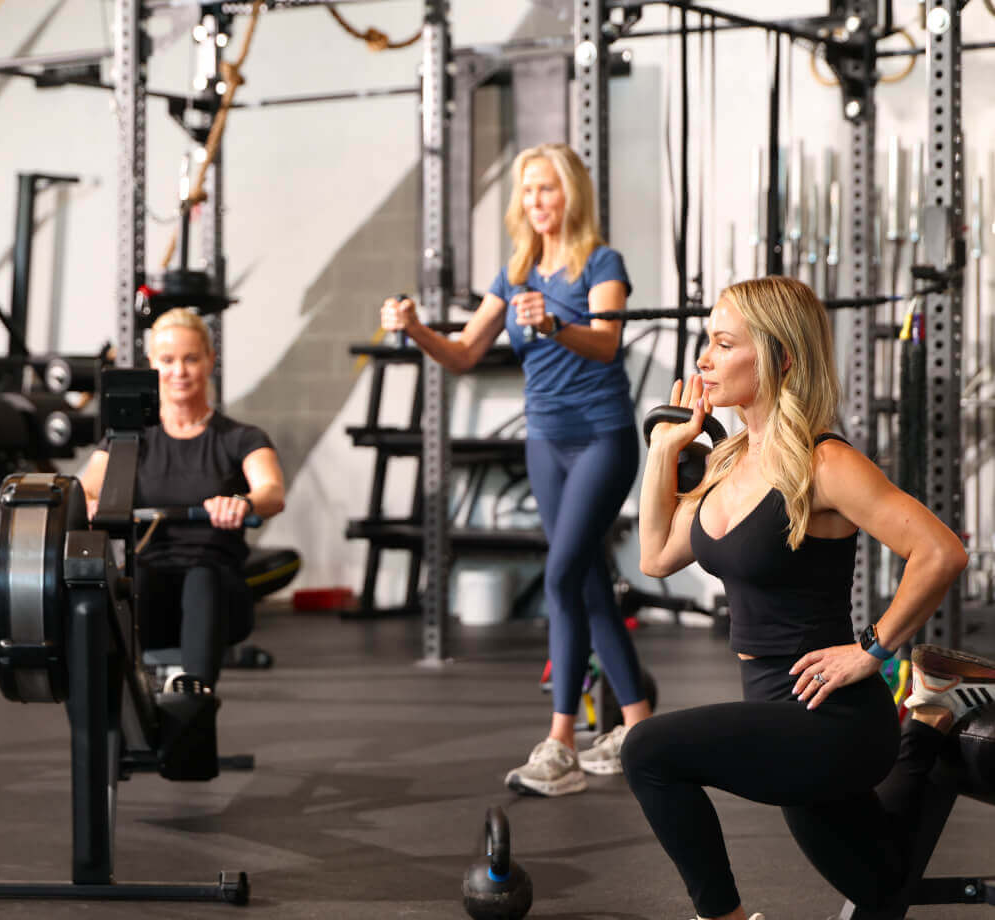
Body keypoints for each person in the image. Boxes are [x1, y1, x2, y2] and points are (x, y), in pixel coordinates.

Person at [625, 275, 994, 920]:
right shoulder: (725, 461)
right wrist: (662, 451)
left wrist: (871, 651)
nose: (703, 360)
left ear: (779, 357)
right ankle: (930, 728)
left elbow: (941, 551)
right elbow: (655, 557)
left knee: (649, 750)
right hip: (773, 706)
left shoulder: (825, 463)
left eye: (722, 343)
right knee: (881, 885)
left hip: (831, 719)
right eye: (706, 343)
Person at [380, 142, 652, 794]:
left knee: (559, 576)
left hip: (601, 439)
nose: (537, 202)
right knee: (583, 580)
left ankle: (561, 740)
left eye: (548, 190)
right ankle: (638, 724)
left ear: (572, 195)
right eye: (529, 192)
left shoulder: (602, 263)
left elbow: (608, 343)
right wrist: (416, 329)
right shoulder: (517, 271)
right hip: (546, 443)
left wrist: (557, 323)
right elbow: (465, 352)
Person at [81, 307, 286, 688]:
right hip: (151, 589)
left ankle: (195, 708)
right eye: (168, 360)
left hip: (219, 593)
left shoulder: (240, 438)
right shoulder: (128, 439)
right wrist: (91, 503)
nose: (179, 371)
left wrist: (244, 502)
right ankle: (114, 724)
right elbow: (90, 485)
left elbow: (272, 491)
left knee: (202, 578)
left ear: (210, 361)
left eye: (191, 359)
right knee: (113, 591)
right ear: (152, 365)